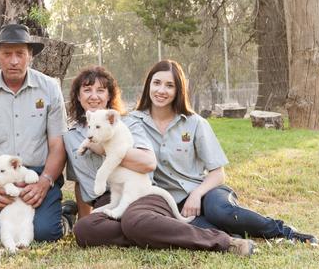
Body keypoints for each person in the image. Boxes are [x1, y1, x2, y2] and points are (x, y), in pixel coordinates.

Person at [67, 65, 255, 255]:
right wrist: (84, 217)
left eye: (101, 90)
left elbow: (148, 162)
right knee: (84, 230)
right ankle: (157, 231)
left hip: (138, 190)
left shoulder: (129, 122)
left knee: (134, 221)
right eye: (87, 90)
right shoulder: (70, 135)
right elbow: (79, 184)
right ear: (78, 95)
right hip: (108, 199)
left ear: (109, 96)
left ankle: (223, 241)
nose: (94, 96)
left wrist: (103, 150)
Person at [129, 59, 318, 244]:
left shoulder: (194, 123)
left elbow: (218, 173)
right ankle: (234, 238)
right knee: (210, 230)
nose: (161, 90)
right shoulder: (133, 122)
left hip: (206, 191)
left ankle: (283, 231)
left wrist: (196, 195)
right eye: (157, 83)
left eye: (169, 85)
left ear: (178, 90)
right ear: (148, 86)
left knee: (220, 212)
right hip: (171, 202)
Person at [0, 23, 68, 242]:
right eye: (7, 53)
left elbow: (58, 144)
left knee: (44, 233)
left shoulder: (50, 88)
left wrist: (45, 181)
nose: (14, 61)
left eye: (20, 54)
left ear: (30, 56)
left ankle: (64, 214)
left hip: (38, 172)